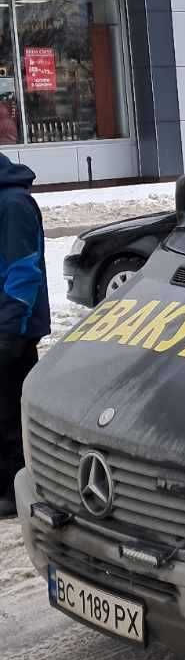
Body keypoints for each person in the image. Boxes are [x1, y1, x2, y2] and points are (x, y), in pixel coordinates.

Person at [0, 156, 50, 518]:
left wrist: (9, 333)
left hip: (12, 331)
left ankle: (13, 489)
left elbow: (22, 274)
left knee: (8, 417)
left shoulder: (13, 205)